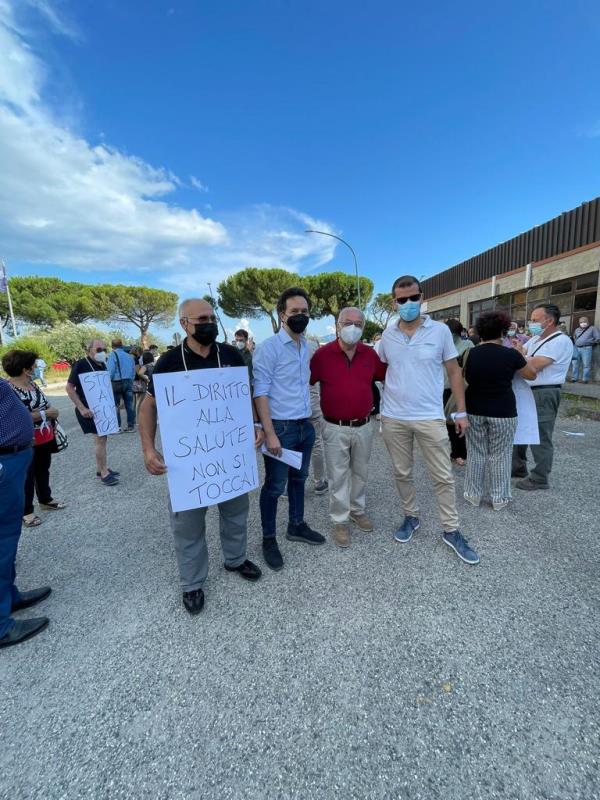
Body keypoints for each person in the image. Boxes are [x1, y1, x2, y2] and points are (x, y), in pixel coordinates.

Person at [139, 298, 264, 615]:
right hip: (190, 465)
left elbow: (245, 394)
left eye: (212, 317)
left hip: (230, 457)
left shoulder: (232, 354)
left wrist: (255, 424)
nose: (209, 323)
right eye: (201, 319)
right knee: (188, 525)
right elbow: (149, 406)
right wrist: (148, 448)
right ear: (184, 324)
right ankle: (192, 583)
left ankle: (235, 560)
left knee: (236, 512)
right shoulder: (168, 362)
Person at [378, 275, 479, 566]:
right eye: (402, 299)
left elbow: (455, 371)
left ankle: (451, 530)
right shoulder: (387, 335)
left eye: (413, 298)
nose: (408, 304)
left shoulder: (439, 332)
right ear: (393, 302)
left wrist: (460, 411)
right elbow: (379, 368)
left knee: (443, 476)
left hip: (430, 417)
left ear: (421, 297)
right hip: (394, 417)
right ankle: (411, 517)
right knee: (402, 473)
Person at [253, 287, 325, 571]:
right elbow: (260, 392)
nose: (300, 316)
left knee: (299, 481)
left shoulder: (308, 346)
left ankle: (296, 525)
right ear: (282, 314)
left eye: (304, 312)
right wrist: (269, 432)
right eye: (294, 312)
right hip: (280, 429)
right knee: (273, 487)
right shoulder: (268, 348)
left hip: (304, 426)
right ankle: (269, 538)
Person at [310, 307, 386, 547]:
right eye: (347, 322)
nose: (352, 327)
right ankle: (339, 520)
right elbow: (304, 382)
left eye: (358, 323)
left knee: (360, 472)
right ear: (337, 326)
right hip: (334, 427)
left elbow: (387, 378)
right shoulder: (322, 356)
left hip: (364, 425)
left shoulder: (369, 355)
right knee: (338, 475)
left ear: (363, 327)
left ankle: (357, 510)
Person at [462, 312, 536, 510]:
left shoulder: (471, 353)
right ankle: (499, 498)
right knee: (501, 455)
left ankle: (472, 494)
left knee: (476, 453)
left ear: (480, 331)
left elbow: (465, 377)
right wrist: (520, 353)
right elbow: (531, 375)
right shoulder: (510, 354)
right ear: (503, 331)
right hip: (503, 410)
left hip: (474, 408)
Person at [0, 377, 51, 648]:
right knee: (1, 541)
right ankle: (1, 625)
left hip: (13, 457)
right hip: (3, 461)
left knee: (8, 538)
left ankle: (9, 596)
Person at [512, 303, 574, 490]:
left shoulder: (560, 341)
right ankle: (518, 467)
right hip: (526, 390)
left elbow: (536, 364)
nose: (532, 324)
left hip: (544, 391)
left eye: (535, 320)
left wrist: (519, 356)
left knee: (540, 435)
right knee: (520, 429)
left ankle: (540, 477)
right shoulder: (536, 339)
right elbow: (523, 356)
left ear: (550, 321)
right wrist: (520, 352)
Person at [2, 350, 66, 527]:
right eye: (33, 365)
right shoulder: (9, 390)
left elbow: (42, 404)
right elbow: (17, 416)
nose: (36, 367)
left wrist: (46, 413)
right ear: (25, 368)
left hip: (44, 436)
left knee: (43, 469)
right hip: (25, 440)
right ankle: (26, 512)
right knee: (26, 476)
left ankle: (46, 499)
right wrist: (46, 413)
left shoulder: (32, 384)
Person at [66, 339, 120, 486]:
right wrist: (82, 408)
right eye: (98, 349)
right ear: (89, 350)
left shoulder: (102, 364)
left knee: (103, 439)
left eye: (104, 349)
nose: (102, 352)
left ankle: (101, 468)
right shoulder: (81, 364)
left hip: (102, 409)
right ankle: (103, 473)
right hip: (89, 411)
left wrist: (112, 405)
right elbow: (69, 388)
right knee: (100, 439)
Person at [443, 319, 474, 465]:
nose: (451, 336)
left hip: (458, 388)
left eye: (454, 333)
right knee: (447, 422)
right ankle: (454, 451)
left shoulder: (467, 345)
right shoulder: (440, 344)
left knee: (456, 420)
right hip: (442, 387)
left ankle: (459, 453)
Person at [308, 339, 328, 496]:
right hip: (312, 403)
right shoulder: (313, 346)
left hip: (288, 406)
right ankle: (319, 482)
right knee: (316, 444)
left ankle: (287, 486)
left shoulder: (275, 347)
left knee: (289, 445)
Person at [107, 338, 136, 432]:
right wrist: (131, 379)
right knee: (129, 405)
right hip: (128, 381)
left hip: (116, 382)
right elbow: (133, 370)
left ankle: (117, 427)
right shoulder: (129, 356)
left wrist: (108, 380)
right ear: (122, 345)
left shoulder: (112, 355)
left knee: (115, 404)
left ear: (112, 346)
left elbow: (110, 370)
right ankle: (131, 426)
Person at [570, 315, 600, 383]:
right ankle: (574, 378)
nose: (583, 323)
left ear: (588, 322)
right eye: (581, 322)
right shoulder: (577, 329)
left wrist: (590, 342)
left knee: (586, 365)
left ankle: (585, 379)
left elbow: (598, 338)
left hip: (586, 348)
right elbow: (574, 337)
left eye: (584, 321)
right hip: (576, 348)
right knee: (575, 363)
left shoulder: (593, 328)